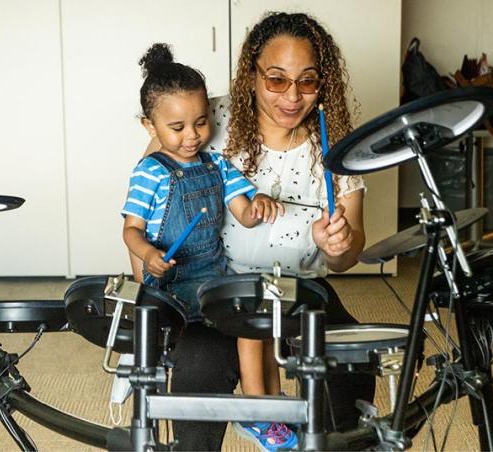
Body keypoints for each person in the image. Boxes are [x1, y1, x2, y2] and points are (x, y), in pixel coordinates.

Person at [137, 12, 376, 451]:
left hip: (299, 288)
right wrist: (151, 288)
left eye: (307, 81)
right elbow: (148, 200)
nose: (292, 96)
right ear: (252, 75)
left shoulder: (337, 141)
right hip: (214, 287)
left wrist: (338, 244)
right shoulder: (204, 118)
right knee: (198, 368)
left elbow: (347, 255)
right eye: (276, 80)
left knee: (349, 368)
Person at [123, 43, 299, 451]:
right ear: (149, 126)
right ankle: (259, 412)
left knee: (257, 316)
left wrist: (259, 204)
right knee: (245, 323)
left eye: (201, 123)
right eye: (177, 127)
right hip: (172, 286)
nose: (193, 136)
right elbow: (130, 231)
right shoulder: (149, 172)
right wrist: (148, 255)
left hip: (213, 278)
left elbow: (244, 213)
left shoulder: (216, 164)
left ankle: (267, 405)